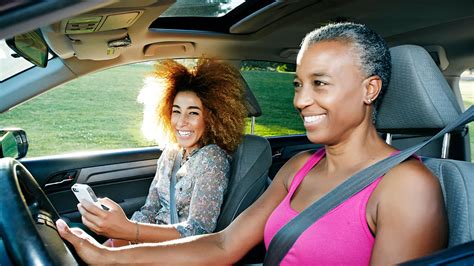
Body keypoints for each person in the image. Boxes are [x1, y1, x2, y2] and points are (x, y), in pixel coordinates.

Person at [57, 22, 448, 265]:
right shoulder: (299, 168)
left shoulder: (408, 188)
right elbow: (223, 244)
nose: (299, 100)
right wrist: (110, 257)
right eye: (298, 84)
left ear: (370, 89)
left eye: (320, 83)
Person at [75, 58, 247, 247]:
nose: (181, 122)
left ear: (211, 117)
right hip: (148, 243)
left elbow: (198, 230)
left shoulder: (212, 159)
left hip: (177, 252)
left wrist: (129, 230)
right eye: (176, 111)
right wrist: (120, 238)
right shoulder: (171, 153)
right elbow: (150, 208)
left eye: (193, 113)